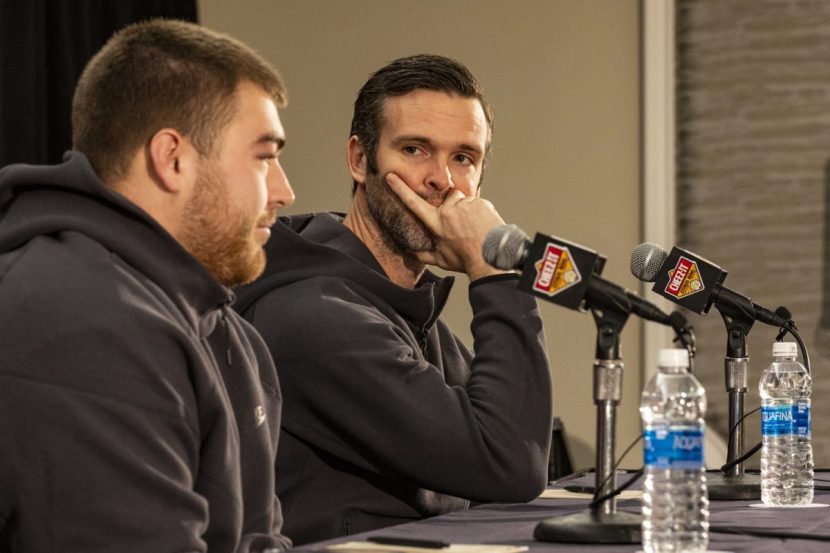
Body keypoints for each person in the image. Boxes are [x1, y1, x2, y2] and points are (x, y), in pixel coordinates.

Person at [0, 19, 295, 552]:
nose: (284, 191)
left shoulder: (228, 334)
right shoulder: (79, 319)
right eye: (265, 156)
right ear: (172, 159)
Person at [234, 54, 553, 545]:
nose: (441, 179)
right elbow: (511, 462)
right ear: (360, 160)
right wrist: (495, 272)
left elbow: (517, 463)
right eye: (415, 149)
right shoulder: (316, 316)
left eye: (463, 158)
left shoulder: (411, 314)